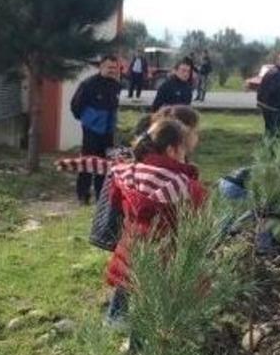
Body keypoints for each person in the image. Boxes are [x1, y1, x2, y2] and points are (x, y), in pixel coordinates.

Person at [104, 118, 207, 322]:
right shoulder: (188, 187)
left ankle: (114, 324)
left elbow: (115, 202)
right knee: (154, 317)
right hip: (166, 259)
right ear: (172, 150)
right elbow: (200, 222)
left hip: (130, 251)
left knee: (124, 292)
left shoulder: (128, 172)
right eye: (183, 150)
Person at [70, 54, 122, 204]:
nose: (112, 70)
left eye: (114, 68)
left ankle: (101, 197)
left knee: (104, 165)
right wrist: (88, 120)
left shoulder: (116, 86)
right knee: (88, 163)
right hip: (91, 131)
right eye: (109, 67)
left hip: (108, 132)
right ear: (101, 67)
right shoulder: (88, 84)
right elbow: (75, 106)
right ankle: (83, 195)